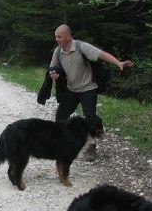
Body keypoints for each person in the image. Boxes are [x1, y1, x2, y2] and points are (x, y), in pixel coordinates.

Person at [49, 24, 133, 161]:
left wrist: (118, 63)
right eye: (56, 37)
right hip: (72, 89)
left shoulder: (82, 47)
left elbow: (101, 54)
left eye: (59, 36)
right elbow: (53, 68)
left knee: (90, 118)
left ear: (68, 37)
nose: (57, 39)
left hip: (88, 87)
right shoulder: (58, 51)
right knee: (60, 117)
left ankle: (91, 148)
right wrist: (54, 74)